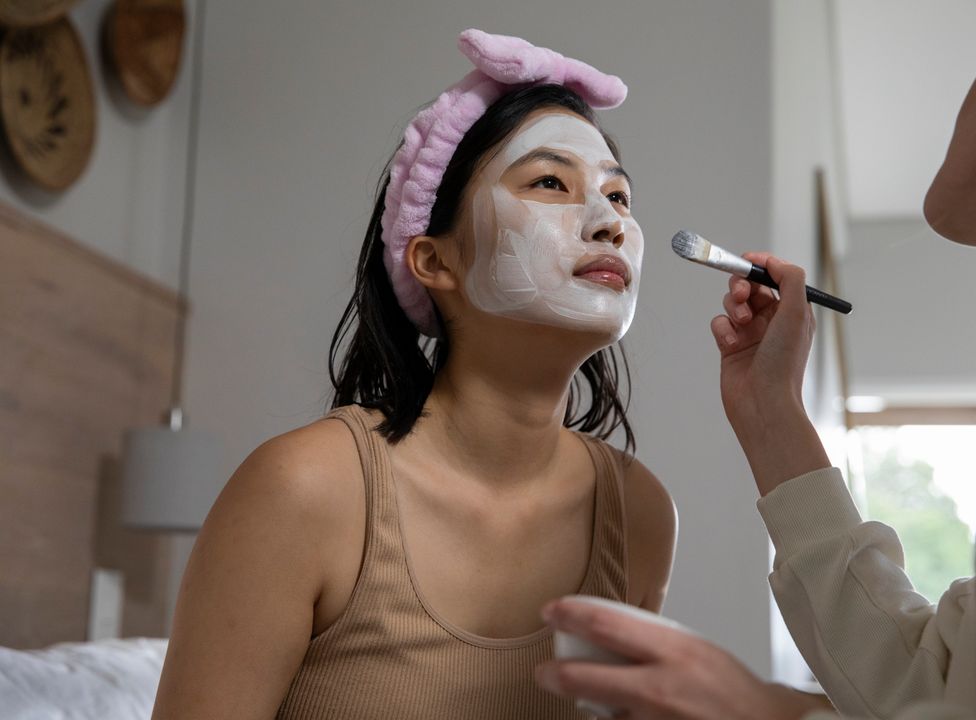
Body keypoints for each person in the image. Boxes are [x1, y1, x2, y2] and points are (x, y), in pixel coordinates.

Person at [537, 0, 976, 718]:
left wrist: (768, 711)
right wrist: (772, 414)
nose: (608, 221)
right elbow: (942, 685)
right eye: (547, 182)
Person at [151, 30, 676, 720]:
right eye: (551, 182)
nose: (609, 221)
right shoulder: (304, 490)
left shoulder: (639, 514)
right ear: (434, 261)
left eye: (620, 196)